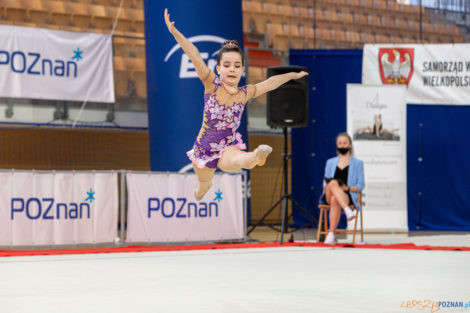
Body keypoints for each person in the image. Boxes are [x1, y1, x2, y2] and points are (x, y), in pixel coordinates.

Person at [164, 9, 308, 201]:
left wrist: (291, 75)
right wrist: (175, 32)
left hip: (227, 145)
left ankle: (257, 155)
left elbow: (270, 83)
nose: (232, 69)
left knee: (238, 160)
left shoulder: (244, 93)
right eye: (227, 65)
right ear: (218, 68)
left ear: (242, 69)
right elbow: (194, 55)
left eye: (237, 65)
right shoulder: (211, 84)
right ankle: (201, 190)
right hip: (204, 149)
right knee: (204, 187)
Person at [321, 132, 365, 245]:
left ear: (350, 145)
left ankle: (331, 235)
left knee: (335, 199)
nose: (342, 145)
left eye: (345, 143)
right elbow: (324, 184)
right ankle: (347, 210)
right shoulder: (330, 162)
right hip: (328, 193)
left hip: (346, 195)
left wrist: (348, 188)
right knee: (332, 182)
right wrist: (331, 185)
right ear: (336, 145)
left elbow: (361, 185)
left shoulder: (358, 163)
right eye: (340, 143)